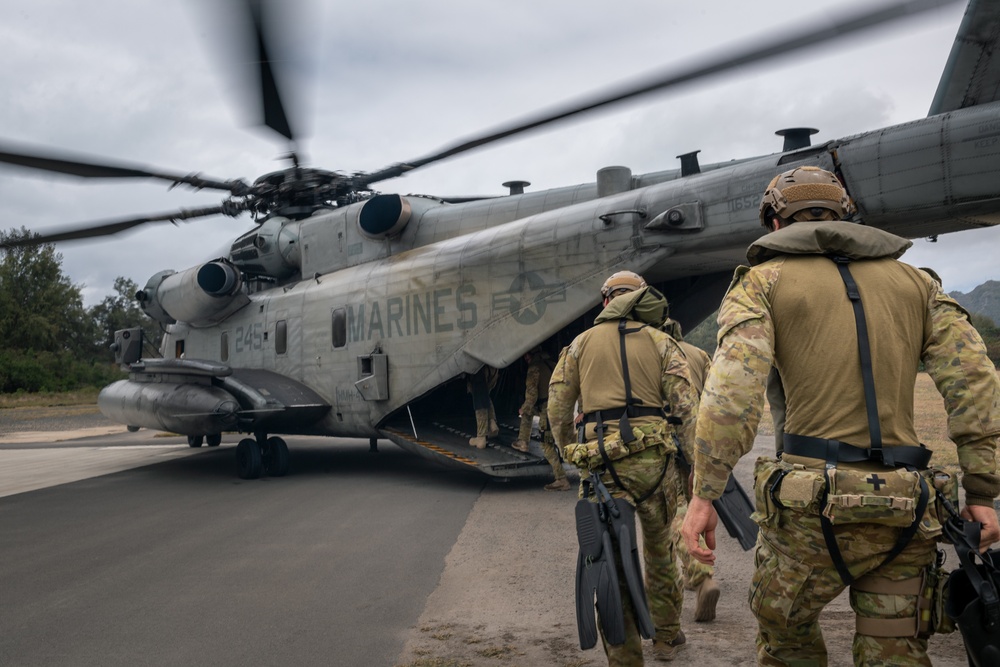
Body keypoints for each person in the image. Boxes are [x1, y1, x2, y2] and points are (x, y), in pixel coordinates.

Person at [681, 166, 1000, 666]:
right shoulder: (917, 283)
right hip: (908, 506)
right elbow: (975, 382)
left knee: (785, 638)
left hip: (811, 512)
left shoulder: (761, 283)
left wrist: (705, 495)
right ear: (844, 213)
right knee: (896, 653)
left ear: (773, 221)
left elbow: (732, 395)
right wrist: (983, 492)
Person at [549, 270, 700, 664]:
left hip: (600, 467)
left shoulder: (579, 345)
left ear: (606, 301)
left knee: (610, 563)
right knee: (660, 550)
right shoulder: (663, 342)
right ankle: (666, 637)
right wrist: (695, 466)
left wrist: (569, 450)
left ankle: (625, 656)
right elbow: (686, 410)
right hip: (654, 466)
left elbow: (558, 409)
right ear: (641, 300)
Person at [659, 317, 719, 623]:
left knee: (675, 512)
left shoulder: (658, 353)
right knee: (696, 505)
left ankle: (699, 574)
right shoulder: (699, 354)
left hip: (666, 442)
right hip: (697, 443)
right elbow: (714, 396)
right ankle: (697, 567)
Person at [513, 347, 569, 490]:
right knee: (558, 440)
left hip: (548, 408)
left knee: (546, 444)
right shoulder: (553, 363)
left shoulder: (534, 368)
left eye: (526, 355)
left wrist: (524, 409)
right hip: (562, 407)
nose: (525, 358)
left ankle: (561, 479)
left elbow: (531, 395)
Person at [467, 365, 499, 449]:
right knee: (485, 395)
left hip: (480, 368)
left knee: (479, 398)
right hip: (493, 369)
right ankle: (492, 421)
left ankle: (481, 437)